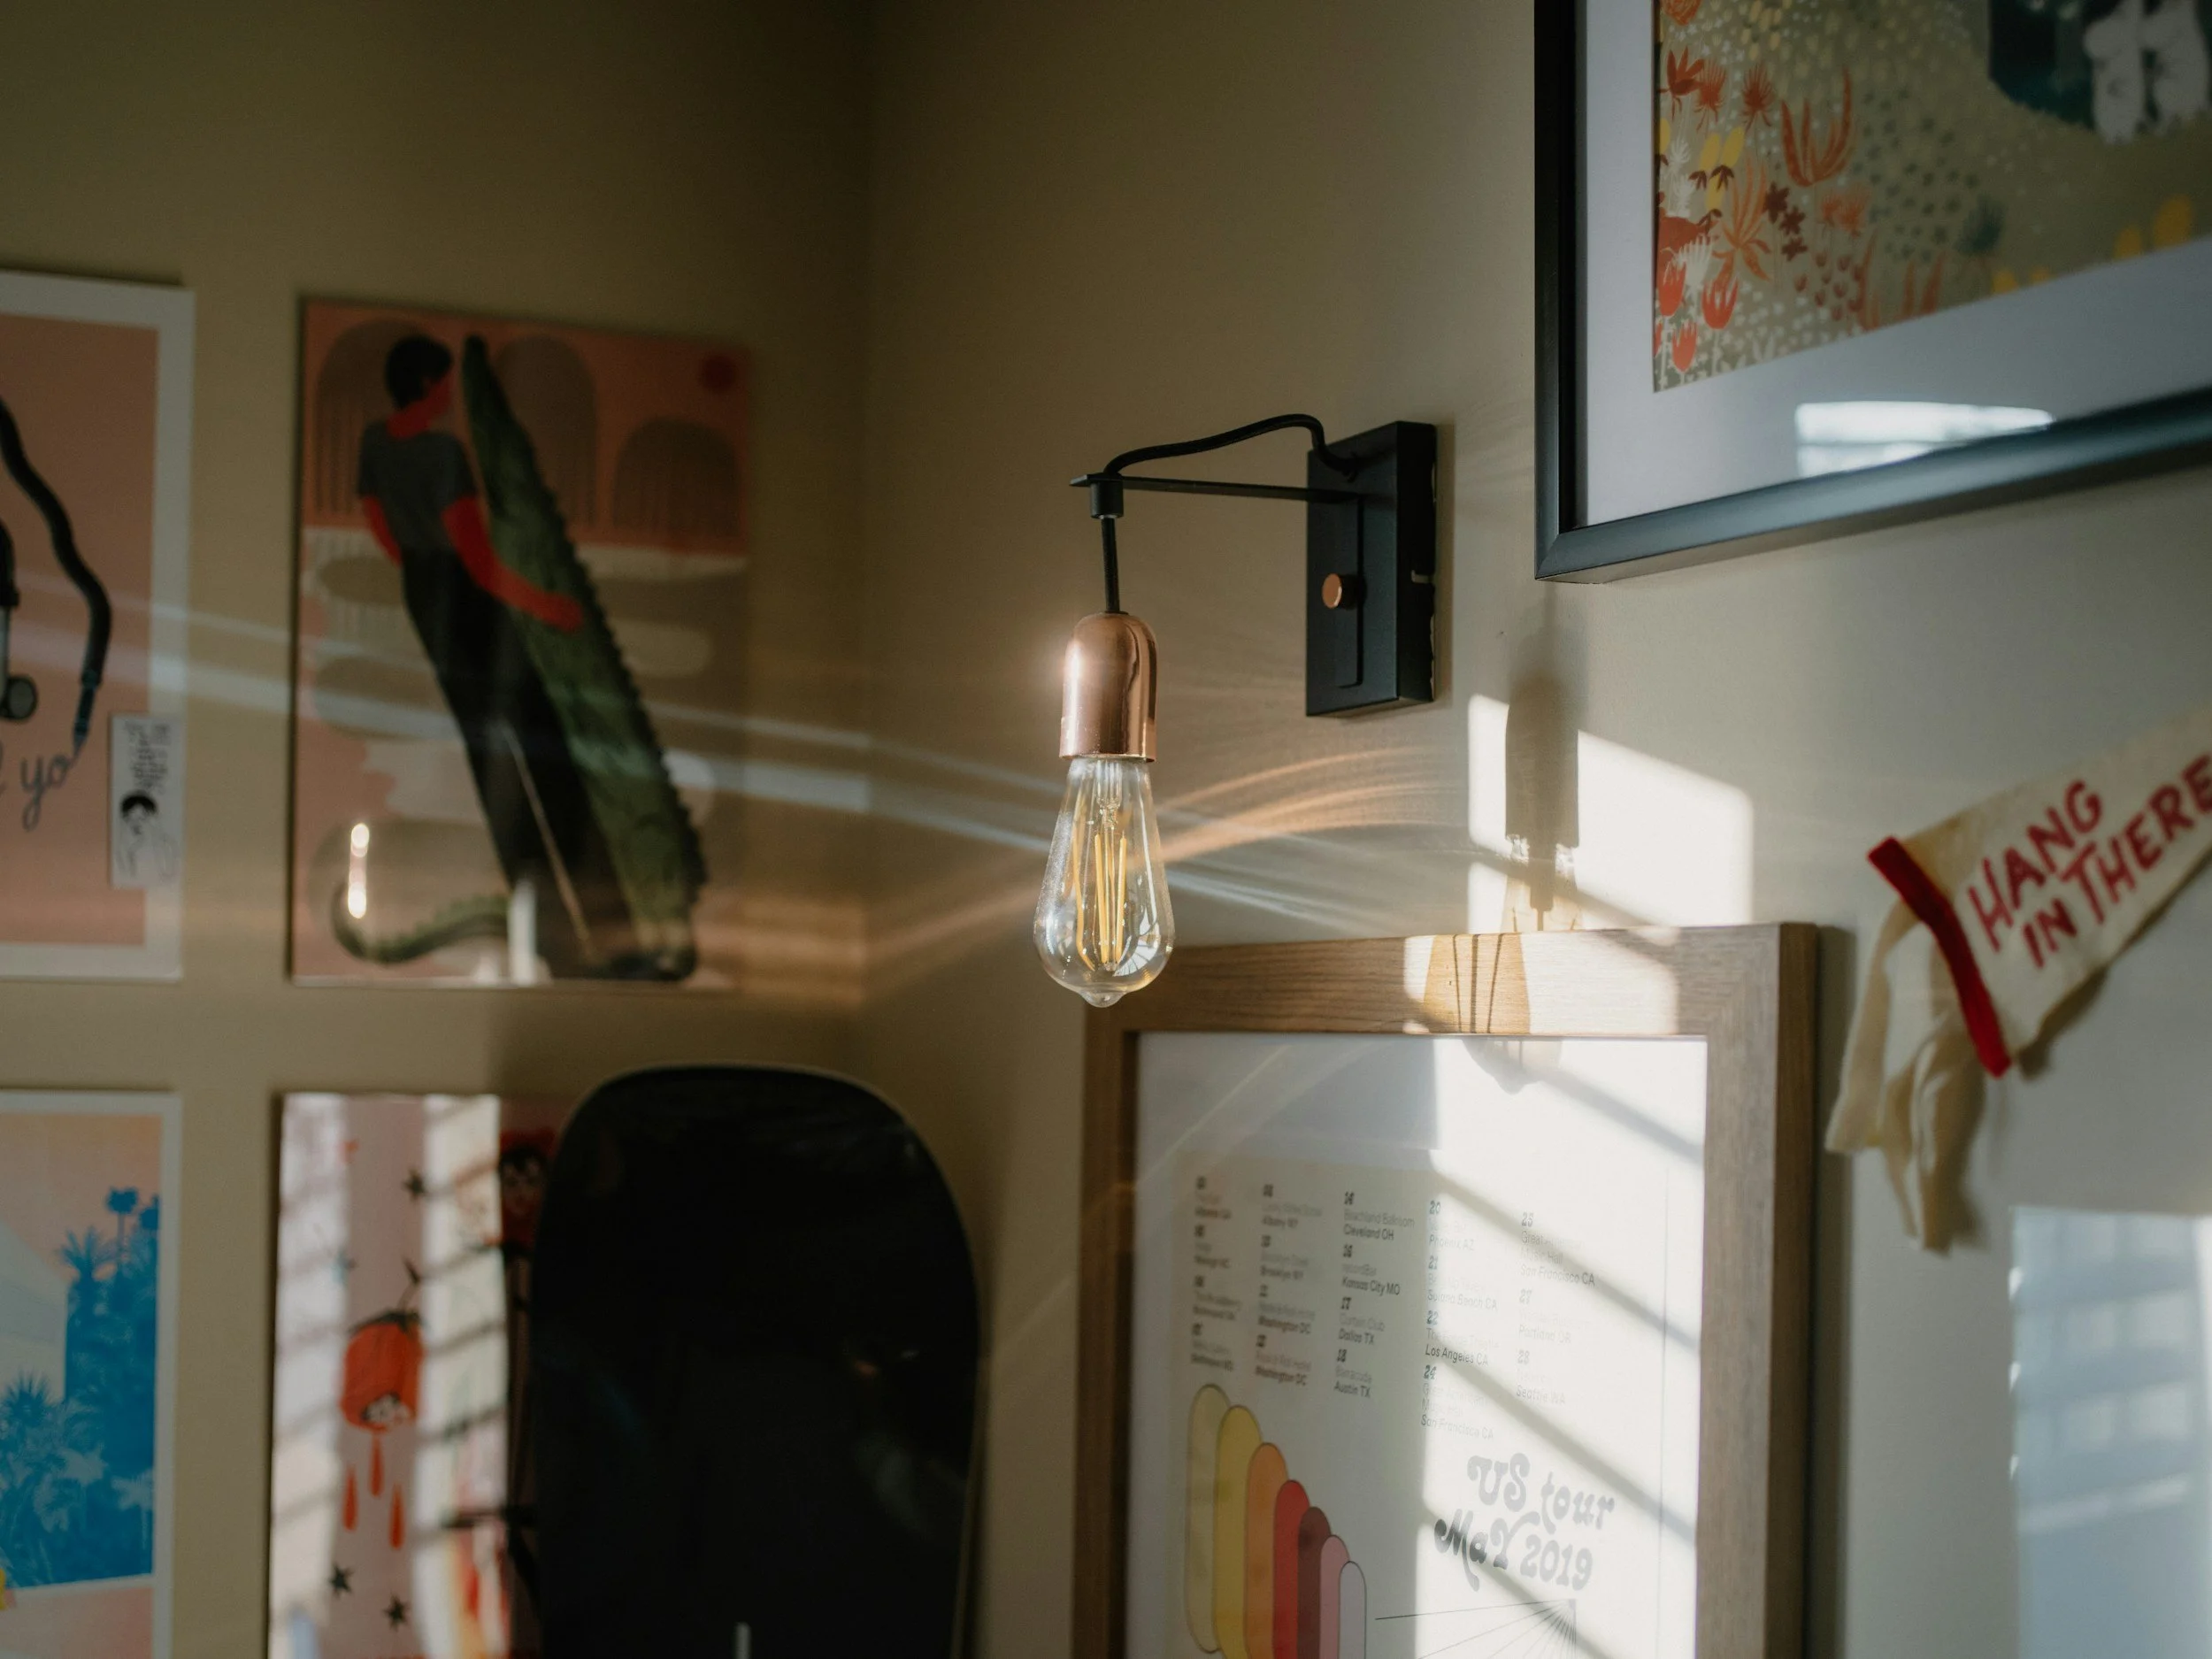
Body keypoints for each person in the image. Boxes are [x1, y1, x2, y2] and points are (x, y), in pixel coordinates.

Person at [357, 336, 630, 975]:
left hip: (425, 595)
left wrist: (417, 570)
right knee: (545, 752)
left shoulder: (375, 441)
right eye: (443, 384)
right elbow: (481, 563)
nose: (449, 395)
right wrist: (548, 606)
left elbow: (377, 520)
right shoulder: (444, 453)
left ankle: (553, 940)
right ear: (425, 384)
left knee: (491, 759)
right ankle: (609, 928)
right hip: (467, 598)